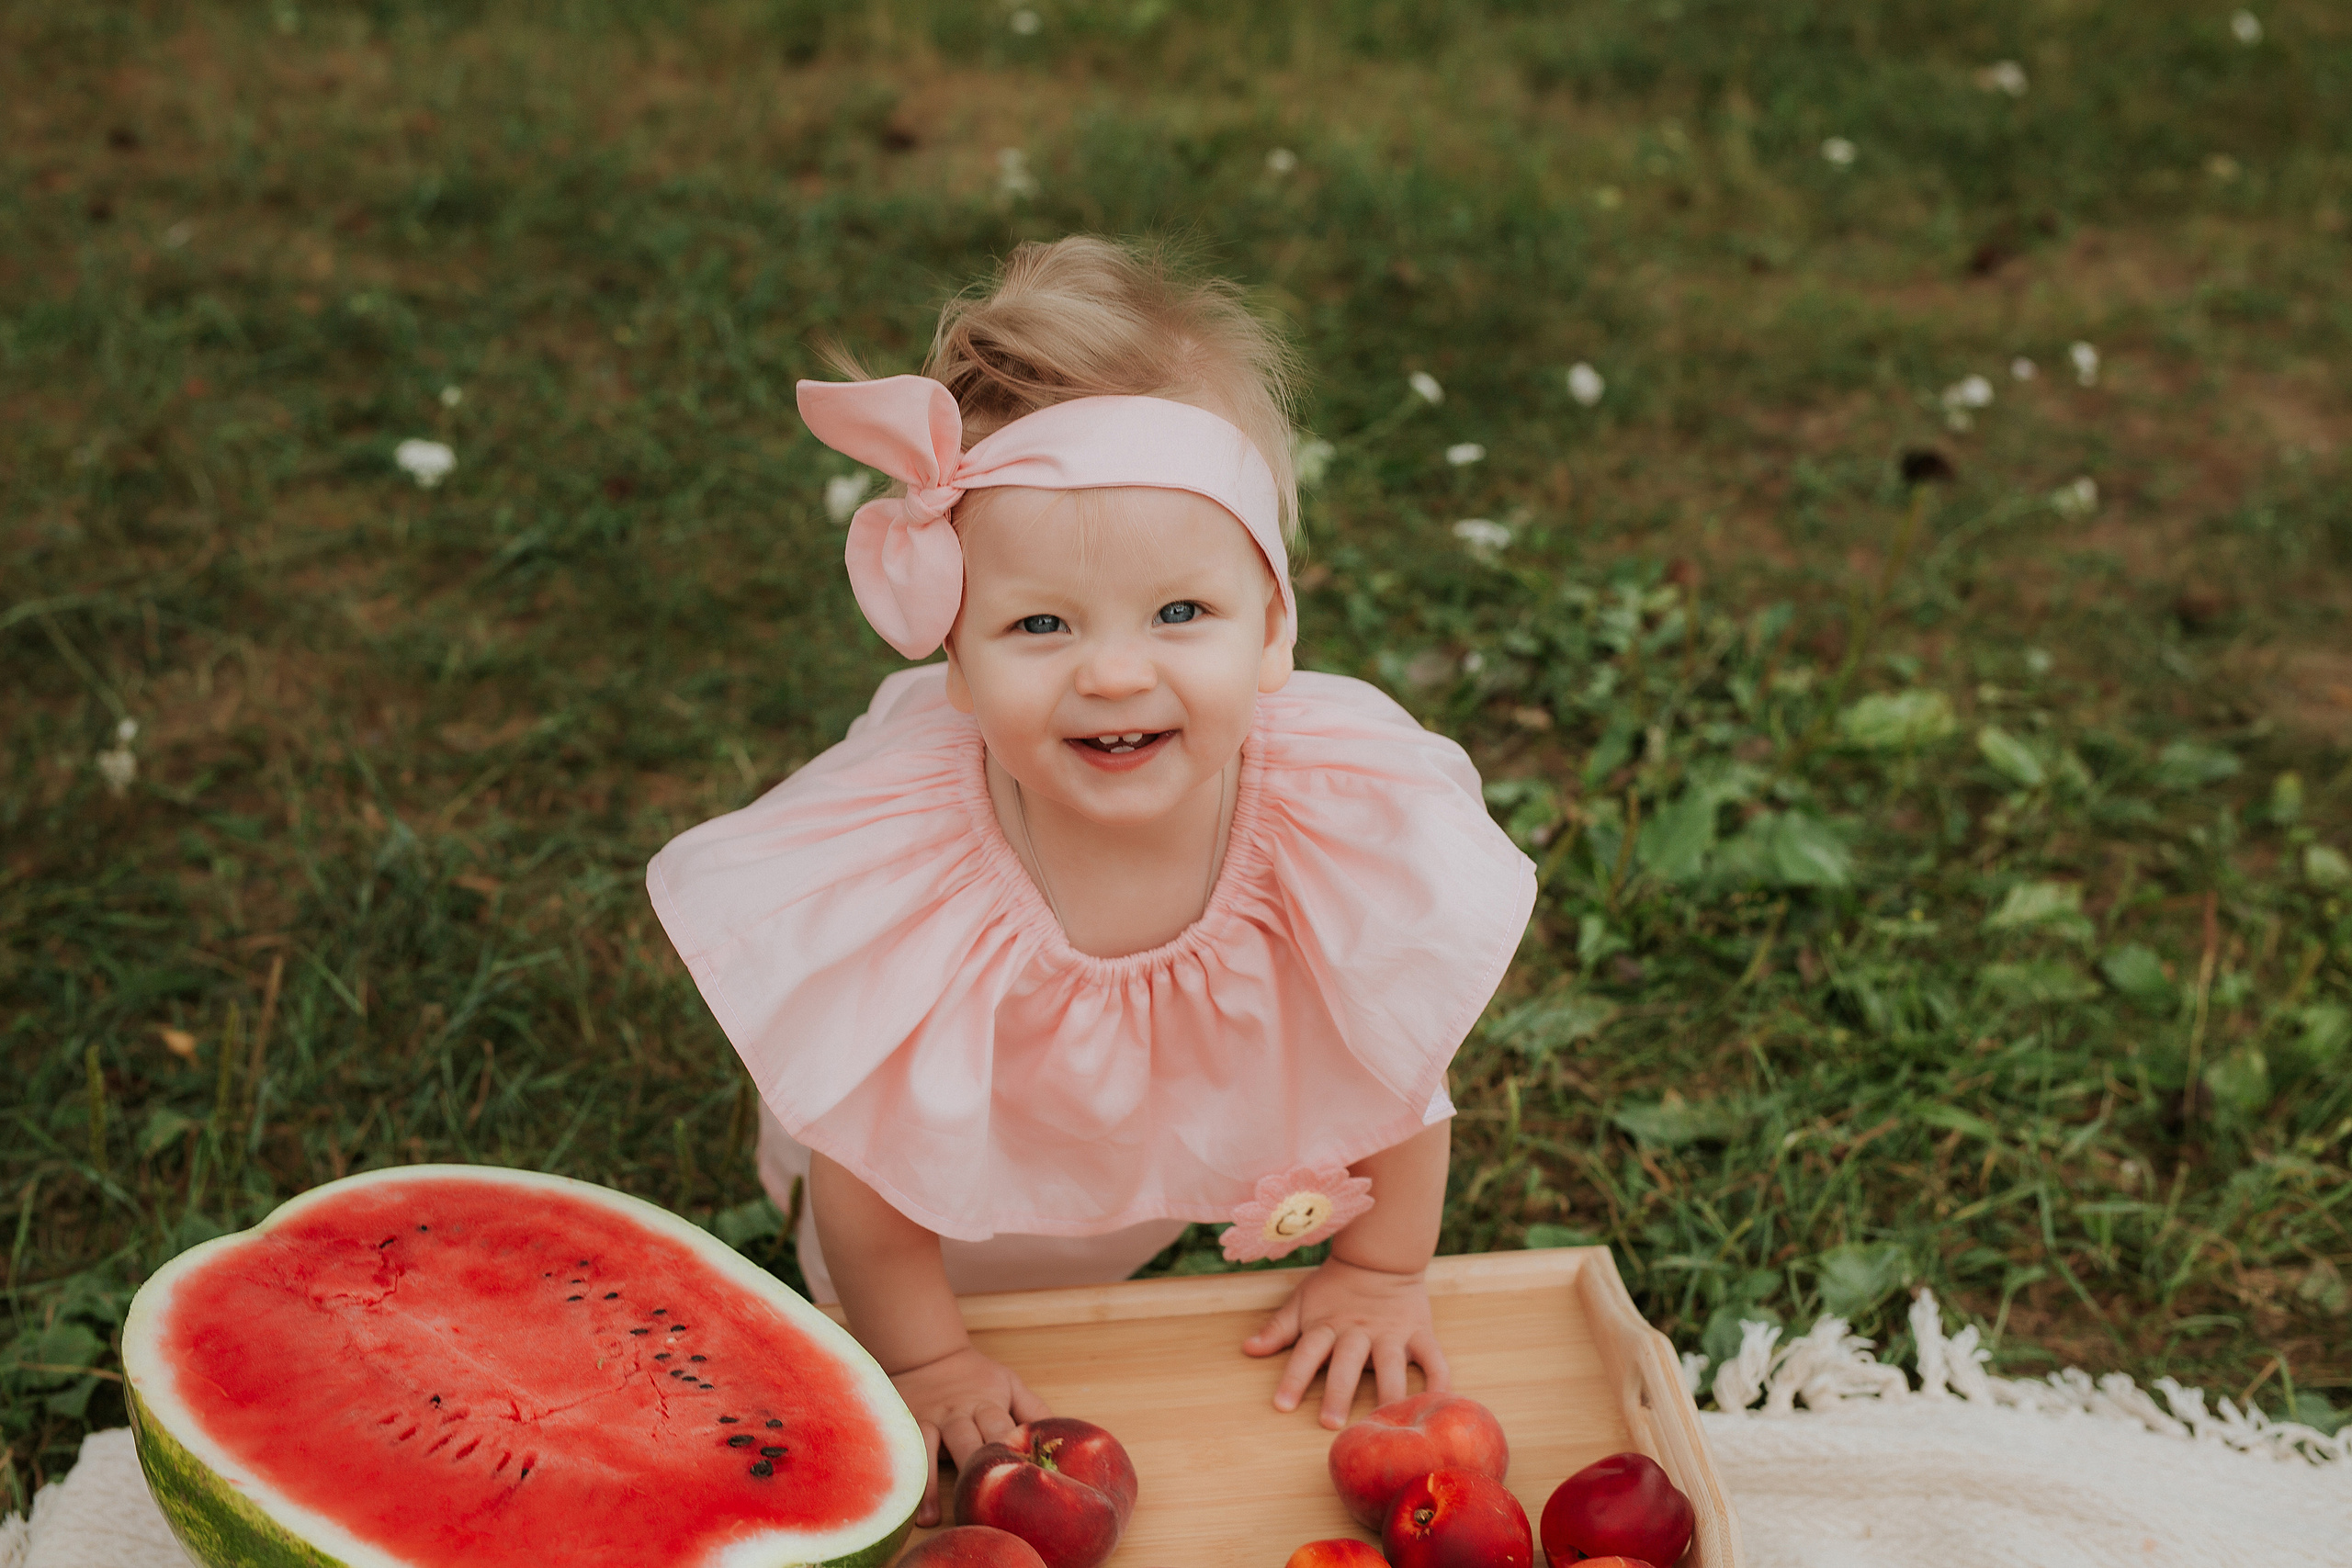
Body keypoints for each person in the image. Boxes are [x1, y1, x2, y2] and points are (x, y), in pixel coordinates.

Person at [647, 236, 1533, 1524]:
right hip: (931, 1214)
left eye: (1180, 614)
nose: (1115, 674)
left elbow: (1396, 1051)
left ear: (1274, 625)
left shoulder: (1330, 822)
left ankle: (1135, 1213)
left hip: (1154, 1143)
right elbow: (868, 1167)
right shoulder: (922, 881)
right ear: (956, 661)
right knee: (893, 1265)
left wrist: (1381, 1270)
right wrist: (926, 1359)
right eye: (1040, 625)